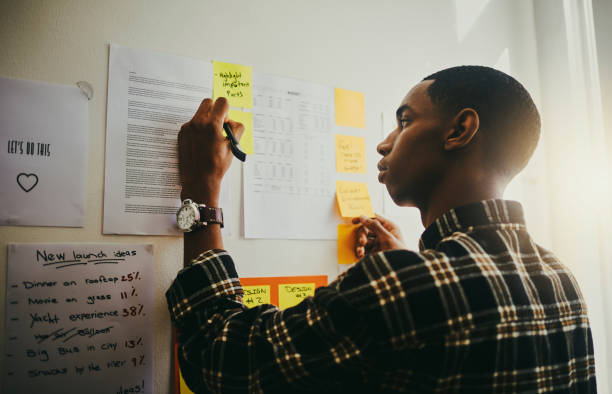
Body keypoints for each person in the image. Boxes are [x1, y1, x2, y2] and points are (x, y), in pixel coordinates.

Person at [166, 66, 596, 393]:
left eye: (405, 121)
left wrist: (204, 192)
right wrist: (410, 265)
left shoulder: (404, 286)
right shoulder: (560, 277)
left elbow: (217, 357)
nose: (384, 143)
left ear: (460, 130)